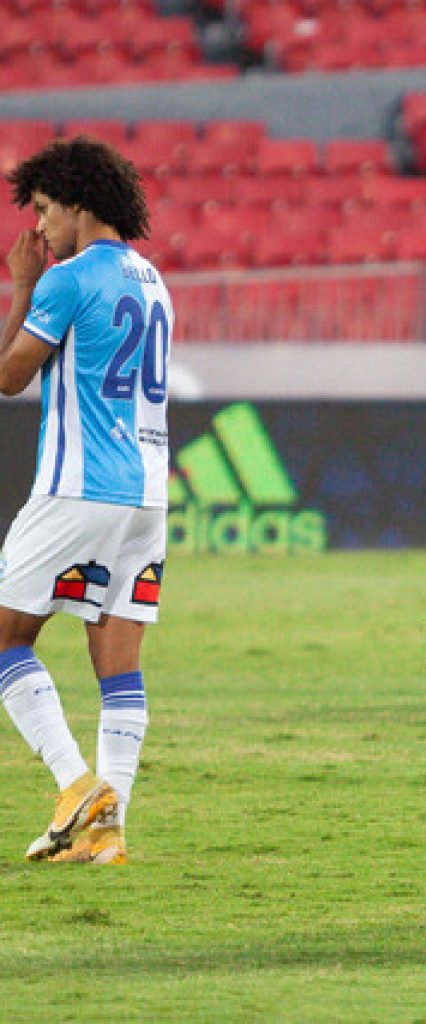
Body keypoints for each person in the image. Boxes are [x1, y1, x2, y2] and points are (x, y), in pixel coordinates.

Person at [0, 137, 172, 864]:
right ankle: (106, 833)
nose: (38, 228)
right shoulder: (153, 277)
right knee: (118, 665)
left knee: (6, 638)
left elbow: (9, 378)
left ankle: (77, 786)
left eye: (44, 210)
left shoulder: (67, 279)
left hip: (79, 487)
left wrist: (20, 287)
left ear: (76, 202)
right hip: (147, 497)